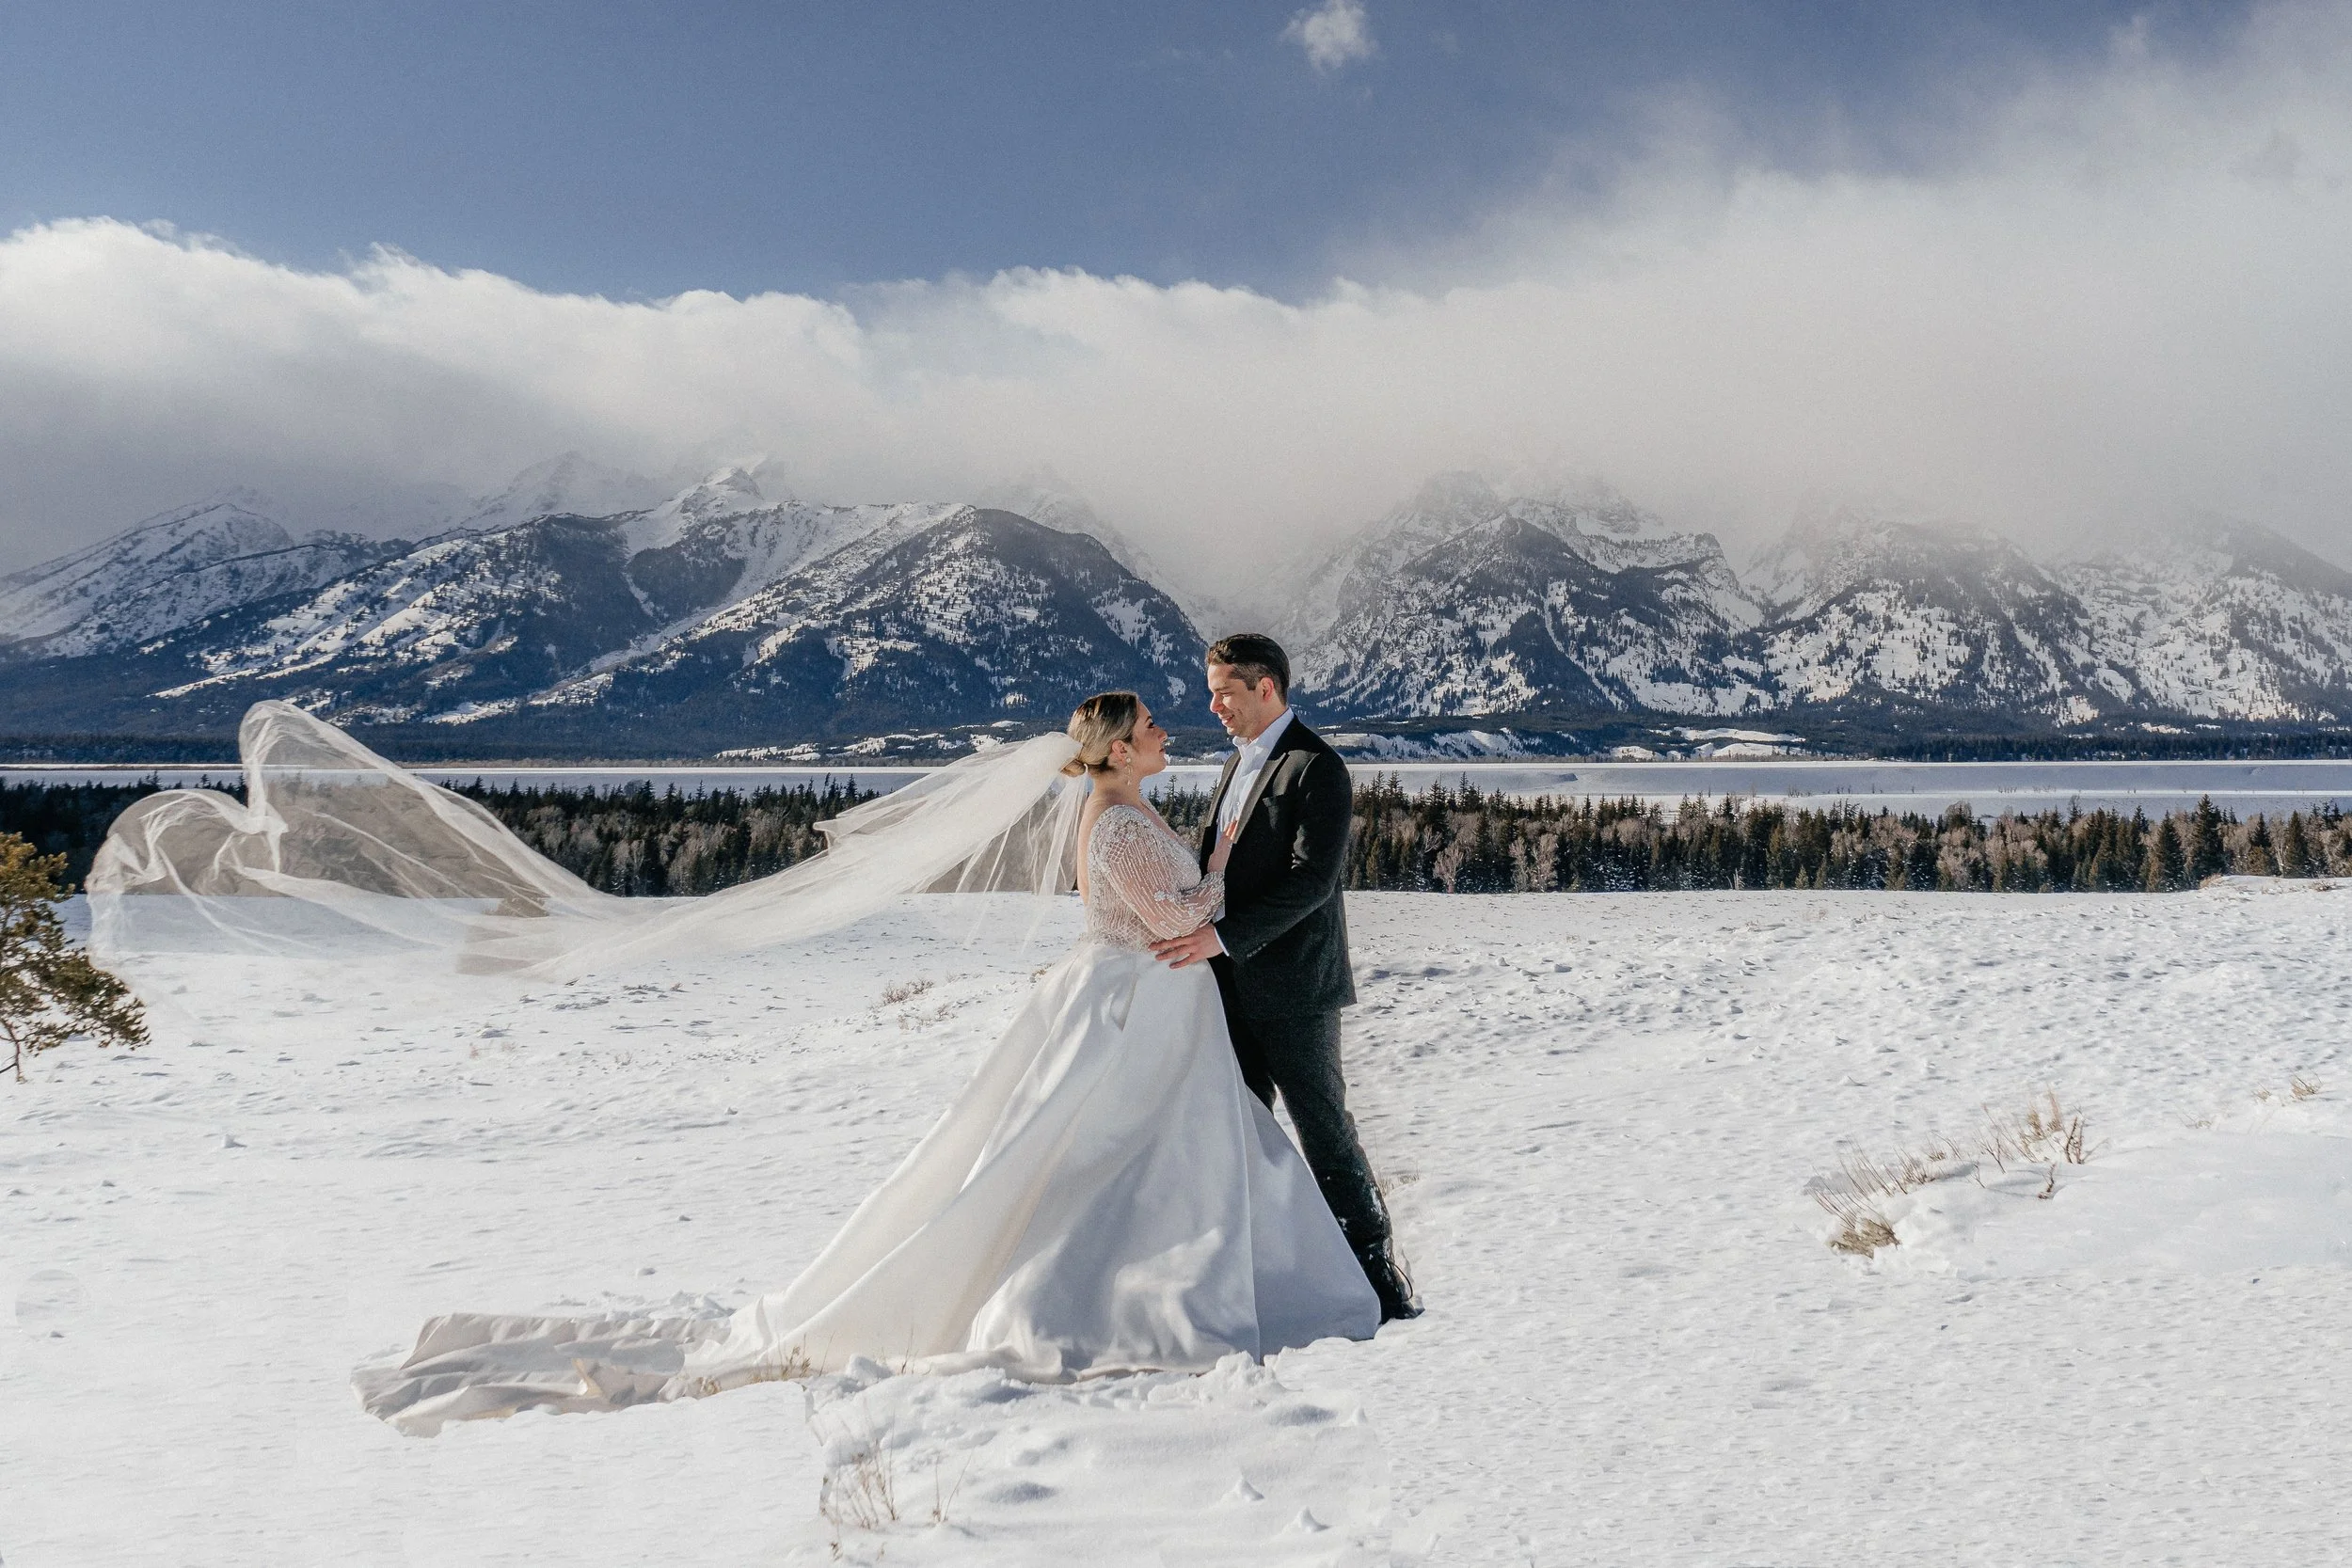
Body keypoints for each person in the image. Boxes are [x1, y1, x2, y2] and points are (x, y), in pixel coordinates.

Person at [349, 691, 1378, 1434]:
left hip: (1147, 1002)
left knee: (1141, 1158)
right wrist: (1224, 886)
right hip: (1137, 1002)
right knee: (1114, 1160)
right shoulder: (1118, 820)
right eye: (1149, 722)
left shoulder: (1120, 808)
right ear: (1116, 748)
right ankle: (1123, 1298)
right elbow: (1170, 913)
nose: (1165, 729)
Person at [1149, 634, 1422, 1323]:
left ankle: (1379, 1279)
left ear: (1264, 687)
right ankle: (1265, 1274)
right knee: (1240, 1131)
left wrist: (1220, 937)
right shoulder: (1234, 762)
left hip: (1297, 989)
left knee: (1324, 1131)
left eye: (1224, 693)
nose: (1213, 707)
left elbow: (1313, 880)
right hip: (1227, 988)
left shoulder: (1317, 766)